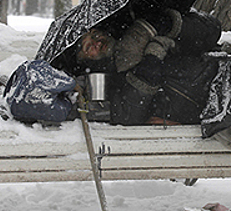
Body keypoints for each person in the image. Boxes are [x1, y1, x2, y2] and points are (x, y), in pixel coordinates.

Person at [74, 8, 222, 126]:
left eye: (95, 35)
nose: (98, 42)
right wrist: (150, 63)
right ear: (84, 60)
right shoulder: (107, 81)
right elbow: (128, 115)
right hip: (209, 114)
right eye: (89, 47)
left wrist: (165, 26)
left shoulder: (136, 27)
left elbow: (212, 29)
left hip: (220, 76)